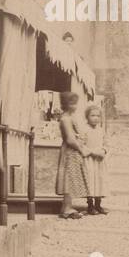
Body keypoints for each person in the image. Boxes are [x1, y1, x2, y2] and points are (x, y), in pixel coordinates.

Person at [54, 91, 89, 219]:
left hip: (73, 151)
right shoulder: (65, 119)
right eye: (72, 103)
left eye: (75, 103)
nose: (75, 106)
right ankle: (66, 208)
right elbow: (69, 139)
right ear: (66, 104)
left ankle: (67, 206)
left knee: (72, 178)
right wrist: (81, 148)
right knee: (68, 178)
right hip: (70, 151)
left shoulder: (70, 118)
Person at [80, 103, 108, 214]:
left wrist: (104, 150)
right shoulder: (84, 130)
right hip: (89, 159)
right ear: (87, 117)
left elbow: (106, 142)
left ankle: (98, 204)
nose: (95, 118)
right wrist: (91, 152)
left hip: (99, 160)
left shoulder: (101, 130)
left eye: (98, 116)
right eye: (92, 115)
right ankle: (90, 205)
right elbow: (81, 145)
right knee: (90, 180)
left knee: (99, 180)